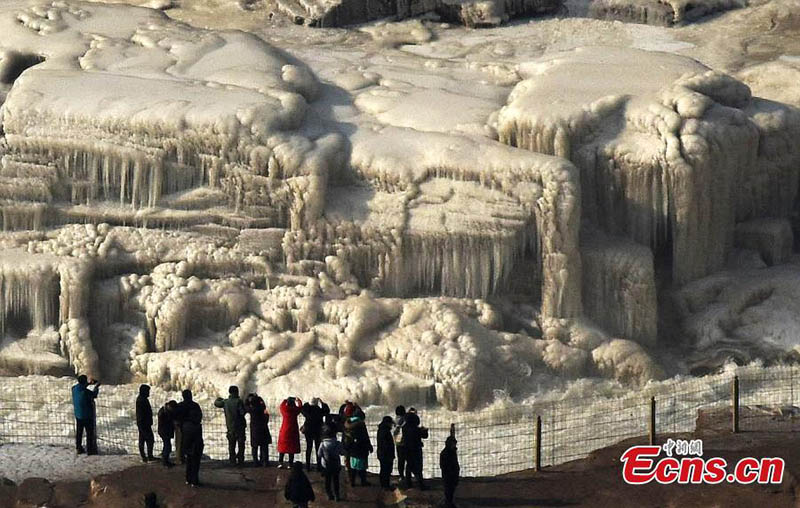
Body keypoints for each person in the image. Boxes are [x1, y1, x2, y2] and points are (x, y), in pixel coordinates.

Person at [176, 390, 203, 487]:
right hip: (196, 435)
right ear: (190, 396)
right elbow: (200, 417)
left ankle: (188, 479)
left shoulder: (180, 406)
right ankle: (194, 480)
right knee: (196, 458)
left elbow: (176, 417)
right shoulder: (195, 406)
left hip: (185, 435)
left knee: (189, 458)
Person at [214, 386, 247, 465]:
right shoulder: (239, 401)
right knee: (241, 445)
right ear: (237, 392)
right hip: (240, 427)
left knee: (231, 446)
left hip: (230, 427)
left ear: (229, 392)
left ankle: (232, 461)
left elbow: (216, 403)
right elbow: (242, 413)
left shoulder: (226, 402)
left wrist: (219, 398)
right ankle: (240, 460)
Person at [71, 375, 99, 455]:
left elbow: (80, 387)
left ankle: (78, 447)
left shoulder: (74, 389)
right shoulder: (85, 392)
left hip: (78, 415)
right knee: (89, 433)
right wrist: (96, 387)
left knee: (79, 432)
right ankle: (90, 450)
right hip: (87, 415)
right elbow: (94, 395)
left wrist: (89, 384)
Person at [402, 408, 428, 489]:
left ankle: (408, 483)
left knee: (409, 466)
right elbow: (425, 436)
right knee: (418, 467)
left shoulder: (405, 427)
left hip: (406, 449)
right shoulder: (416, 429)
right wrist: (425, 430)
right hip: (416, 449)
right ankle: (421, 484)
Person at [301, 397, 329, 471]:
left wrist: (308, 403)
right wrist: (322, 402)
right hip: (318, 431)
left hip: (308, 431)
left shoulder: (307, 410)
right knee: (318, 448)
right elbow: (327, 411)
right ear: (317, 403)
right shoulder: (319, 410)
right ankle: (319, 466)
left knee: (308, 448)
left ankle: (307, 466)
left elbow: (302, 408)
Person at [345, 413, 372, 487]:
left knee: (352, 467)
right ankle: (363, 482)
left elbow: (345, 436)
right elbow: (365, 437)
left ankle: (352, 482)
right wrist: (369, 446)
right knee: (362, 467)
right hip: (361, 448)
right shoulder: (361, 424)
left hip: (352, 449)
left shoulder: (348, 424)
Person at [317, 427, 344, 501]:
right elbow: (342, 453)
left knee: (327, 481)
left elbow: (319, 454)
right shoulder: (337, 443)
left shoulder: (322, 444)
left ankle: (329, 494)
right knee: (336, 481)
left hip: (326, 465)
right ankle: (337, 495)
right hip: (336, 465)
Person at [245, 393, 271, 466]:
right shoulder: (262, 408)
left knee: (254, 446)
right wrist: (259, 398)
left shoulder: (251, 410)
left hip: (254, 429)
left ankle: (255, 462)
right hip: (263, 428)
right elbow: (264, 407)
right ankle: (265, 461)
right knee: (264, 445)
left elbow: (246, 406)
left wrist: (247, 399)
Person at [278, 396, 303, 468]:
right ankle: (290, 464)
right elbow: (300, 407)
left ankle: (280, 463)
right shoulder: (295, 410)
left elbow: (281, 405)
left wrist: (285, 400)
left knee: (282, 447)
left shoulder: (284, 410)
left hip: (284, 430)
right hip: (293, 430)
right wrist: (298, 400)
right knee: (291, 447)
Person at [136, 384, 155, 462]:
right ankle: (148, 456)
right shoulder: (142, 400)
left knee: (143, 439)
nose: (148, 393)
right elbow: (142, 414)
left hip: (143, 423)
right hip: (144, 424)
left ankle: (145, 456)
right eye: (147, 391)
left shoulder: (142, 399)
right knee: (149, 439)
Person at [440, 436, 460, 508]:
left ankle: (449, 502)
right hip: (448, 475)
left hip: (453, 475)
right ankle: (449, 503)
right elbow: (444, 466)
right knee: (448, 490)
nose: (454, 446)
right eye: (453, 444)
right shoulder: (445, 453)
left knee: (451, 490)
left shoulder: (452, 452)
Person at [377, 416, 395, 490]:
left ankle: (384, 484)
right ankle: (386, 485)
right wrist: (390, 454)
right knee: (386, 470)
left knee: (384, 469)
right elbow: (386, 444)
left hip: (381, 453)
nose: (391, 425)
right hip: (386, 454)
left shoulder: (381, 429)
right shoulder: (385, 431)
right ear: (388, 423)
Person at [157, 400, 178, 467]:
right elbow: (166, 423)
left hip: (164, 431)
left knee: (167, 446)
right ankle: (165, 461)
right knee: (167, 446)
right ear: (169, 406)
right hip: (164, 432)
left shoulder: (165, 410)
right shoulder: (163, 412)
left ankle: (165, 460)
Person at [393, 405, 407, 479]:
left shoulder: (395, 419)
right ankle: (406, 476)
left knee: (400, 460)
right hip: (404, 442)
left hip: (398, 443)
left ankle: (401, 475)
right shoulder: (403, 419)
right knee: (407, 460)